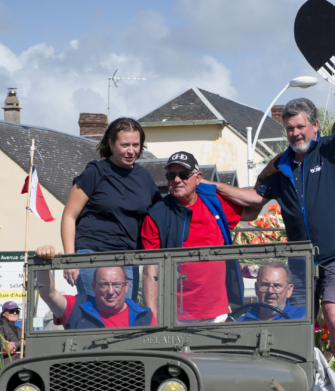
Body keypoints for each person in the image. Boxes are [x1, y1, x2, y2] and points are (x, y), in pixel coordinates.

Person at [209, 51, 335, 381]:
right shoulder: (281, 167)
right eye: (289, 129)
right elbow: (253, 198)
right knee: (291, 323)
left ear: (315, 127)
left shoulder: (333, 150)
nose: (295, 133)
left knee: (334, 314)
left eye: (300, 126)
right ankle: (293, 381)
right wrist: (212, 186)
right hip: (301, 262)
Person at [140, 151, 263, 323]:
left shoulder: (214, 203)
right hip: (175, 315)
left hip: (218, 313)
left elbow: (253, 208)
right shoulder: (156, 215)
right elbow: (150, 271)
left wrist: (215, 186)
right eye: (171, 175)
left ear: (198, 178)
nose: (176, 180)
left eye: (183, 175)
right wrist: (153, 318)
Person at [60, 117, 162, 299]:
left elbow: (160, 217)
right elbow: (69, 215)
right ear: (111, 144)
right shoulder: (95, 172)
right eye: (125, 145)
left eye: (136, 145)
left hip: (128, 259)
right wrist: (70, 259)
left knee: (123, 319)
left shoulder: (145, 178)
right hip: (91, 254)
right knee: (96, 319)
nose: (131, 151)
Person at [34, 246, 154, 329]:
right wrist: (43, 262)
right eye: (104, 284)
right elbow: (48, 294)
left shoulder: (145, 317)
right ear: (93, 286)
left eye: (116, 284)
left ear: (126, 286)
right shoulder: (77, 307)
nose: (111, 291)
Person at [240, 261, 307, 321]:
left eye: (277, 285)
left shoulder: (301, 318)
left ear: (289, 290)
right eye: (265, 285)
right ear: (256, 288)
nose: (270, 291)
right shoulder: (241, 323)